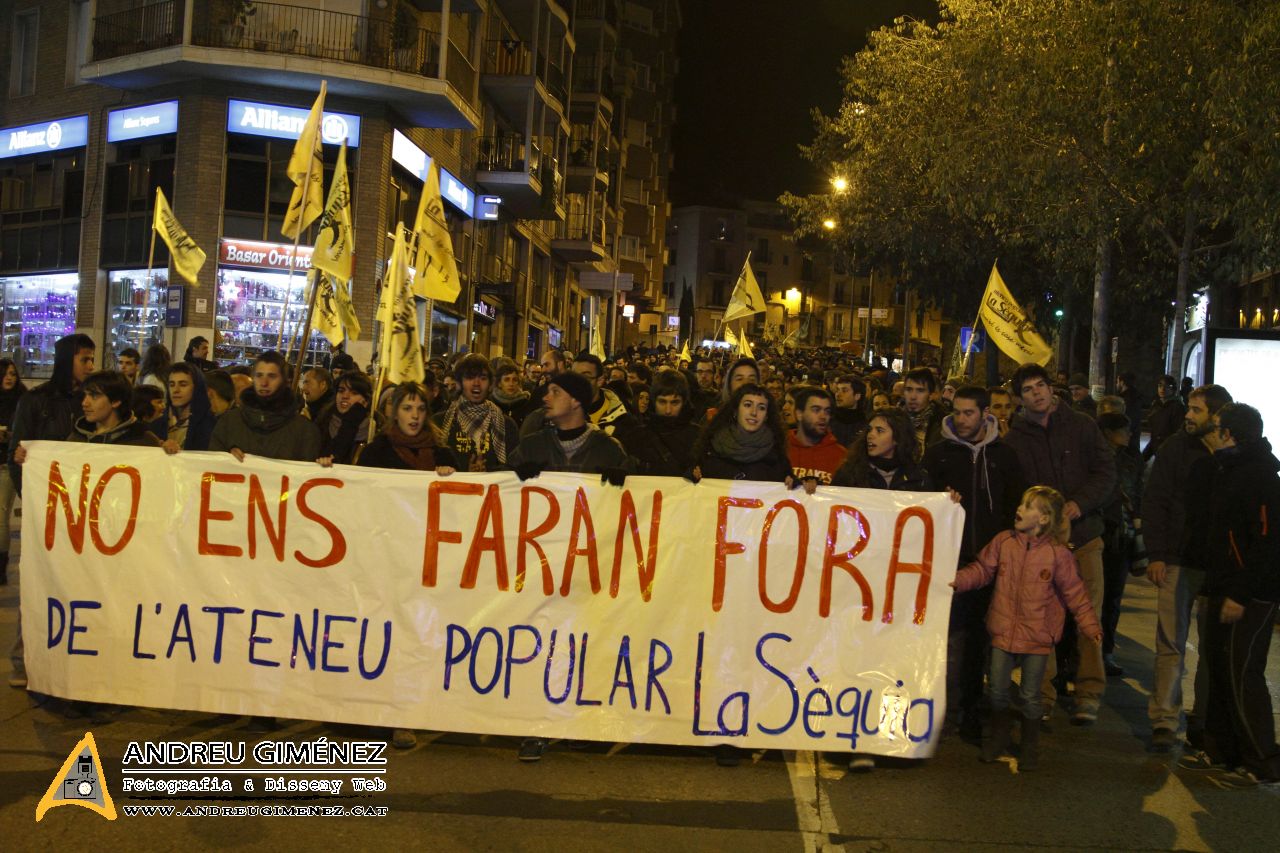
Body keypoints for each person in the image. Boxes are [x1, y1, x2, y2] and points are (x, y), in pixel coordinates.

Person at [952, 486, 1103, 771]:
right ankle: (999, 736)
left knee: (1031, 695)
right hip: (1003, 629)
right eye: (1021, 504)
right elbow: (982, 570)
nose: (1019, 509)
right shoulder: (1004, 542)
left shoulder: (1058, 556)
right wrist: (957, 580)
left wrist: (1089, 625)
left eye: (1028, 506)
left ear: (1044, 518)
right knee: (997, 689)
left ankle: (1029, 744)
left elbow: (1076, 594)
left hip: (1037, 635)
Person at [1002, 363, 1115, 727]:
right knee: (1042, 622)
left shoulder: (1082, 425)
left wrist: (1079, 503)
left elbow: (1105, 473)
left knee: (1087, 617)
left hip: (1083, 538)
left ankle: (1089, 692)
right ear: (1020, 399)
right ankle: (1041, 694)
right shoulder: (1015, 439)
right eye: (1028, 390)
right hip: (1041, 544)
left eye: (1041, 386)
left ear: (1052, 389)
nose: (1037, 393)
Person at [1176, 403, 1280, 786]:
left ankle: (1261, 762)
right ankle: (1221, 751)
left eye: (1216, 426)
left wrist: (1239, 592)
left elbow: (1266, 544)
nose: (1210, 430)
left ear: (1230, 433)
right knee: (1221, 671)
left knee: (1242, 674)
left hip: (1251, 594)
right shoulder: (1226, 470)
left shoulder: (1261, 476)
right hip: (1223, 588)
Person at [357, 381, 458, 750]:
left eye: (419, 409)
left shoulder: (443, 454)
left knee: (419, 635)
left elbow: (463, 506)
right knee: (389, 633)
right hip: (388, 558)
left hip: (429, 561)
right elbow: (358, 495)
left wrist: (452, 480)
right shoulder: (376, 452)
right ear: (393, 413)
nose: (414, 416)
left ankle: (407, 716)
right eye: (406, 408)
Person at [923, 386, 1026, 742]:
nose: (961, 419)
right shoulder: (937, 456)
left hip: (992, 564)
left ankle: (972, 712)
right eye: (957, 412)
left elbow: (1016, 506)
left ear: (985, 414)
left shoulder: (1006, 456)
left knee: (983, 643)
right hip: (951, 564)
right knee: (950, 643)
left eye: (969, 413)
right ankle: (947, 713)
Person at [1142, 383, 1232, 752]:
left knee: (1213, 646)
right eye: (1189, 409)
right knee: (1171, 643)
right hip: (1178, 559)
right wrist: (1158, 553)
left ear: (1217, 416)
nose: (1187, 416)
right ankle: (1164, 719)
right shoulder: (1175, 448)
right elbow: (1156, 499)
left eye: (1196, 410)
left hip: (1216, 565)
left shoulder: (1231, 452)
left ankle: (1204, 718)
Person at [209, 351, 322, 464]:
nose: (264, 383)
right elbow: (211, 468)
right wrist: (225, 457)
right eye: (259, 375)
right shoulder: (228, 423)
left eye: (272, 376)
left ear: (284, 381)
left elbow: (308, 474)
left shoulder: (304, 431)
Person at [1096, 412, 1143, 677]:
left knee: (1113, 598)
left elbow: (1137, 493)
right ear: (1108, 433)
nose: (1129, 435)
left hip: (1122, 536)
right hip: (1100, 534)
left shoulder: (1131, 459)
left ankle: (1106, 651)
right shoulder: (1095, 459)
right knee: (1093, 597)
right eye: (1123, 430)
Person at [690, 383, 792, 484]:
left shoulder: (776, 452)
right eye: (748, 405)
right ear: (735, 410)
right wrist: (692, 476)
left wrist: (796, 483)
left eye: (761, 408)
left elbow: (789, 486)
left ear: (767, 416)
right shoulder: (710, 446)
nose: (754, 412)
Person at [440, 354, 519, 472]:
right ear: (460, 383)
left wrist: (487, 473)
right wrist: (464, 472)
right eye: (470, 377)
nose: (476, 383)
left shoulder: (507, 425)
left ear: (490, 384)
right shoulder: (440, 422)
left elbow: (515, 468)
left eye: (483, 378)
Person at [831, 408, 932, 491]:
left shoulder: (917, 478)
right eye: (869, 430)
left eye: (879, 431)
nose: (870, 435)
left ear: (897, 438)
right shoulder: (849, 473)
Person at [64, 371, 163, 448]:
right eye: (85, 395)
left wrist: (169, 453)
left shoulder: (142, 440)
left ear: (116, 401)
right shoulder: (77, 437)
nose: (84, 403)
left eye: (94, 396)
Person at [638, 370, 701, 476]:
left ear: (684, 402)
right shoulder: (639, 435)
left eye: (675, 402)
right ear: (654, 402)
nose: (668, 410)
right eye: (662, 402)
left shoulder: (698, 436)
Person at [786, 386, 847, 486]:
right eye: (816, 410)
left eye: (827, 411)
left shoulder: (841, 456)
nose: (823, 416)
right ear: (799, 414)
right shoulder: (780, 450)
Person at [0, 359, 25, 585]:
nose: (9, 378)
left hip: (8, 466)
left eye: (13, 374)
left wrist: (8, 436)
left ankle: (1, 567)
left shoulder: (22, 401)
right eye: (6, 374)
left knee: (1, 516)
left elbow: (23, 433)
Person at [316, 372, 372, 466]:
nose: (345, 396)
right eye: (341, 391)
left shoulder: (374, 430)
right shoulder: (323, 422)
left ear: (365, 401)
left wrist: (353, 418)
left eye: (354, 393)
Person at [161, 363, 216, 452]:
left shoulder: (210, 424)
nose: (176, 390)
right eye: (171, 385)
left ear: (196, 388)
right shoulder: (158, 421)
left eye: (183, 385)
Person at [901, 367, 945, 455]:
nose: (913, 396)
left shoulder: (943, 425)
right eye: (909, 389)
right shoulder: (893, 420)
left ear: (931, 395)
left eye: (920, 390)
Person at [1144, 375, 1186, 461]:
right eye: (1160, 386)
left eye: (1167, 386)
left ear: (1173, 389)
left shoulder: (1177, 406)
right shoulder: (1156, 404)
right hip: (1155, 443)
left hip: (1169, 447)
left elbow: (1178, 430)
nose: (1162, 389)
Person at [492, 360, 538, 427]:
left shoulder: (526, 402)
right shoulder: (492, 403)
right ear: (499, 383)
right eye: (507, 380)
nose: (511, 384)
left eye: (515, 380)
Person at [831, 374, 868, 447]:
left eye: (844, 390)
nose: (838, 394)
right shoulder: (829, 421)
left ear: (857, 396)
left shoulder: (866, 425)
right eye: (837, 390)